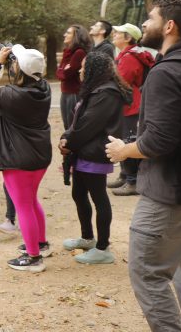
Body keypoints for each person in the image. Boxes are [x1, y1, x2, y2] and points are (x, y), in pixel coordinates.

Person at [106, 0, 181, 332]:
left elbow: (159, 141)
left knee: (147, 272)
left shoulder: (167, 72)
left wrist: (124, 151)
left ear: (168, 26)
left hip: (168, 193)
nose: (144, 24)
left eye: (149, 18)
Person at [0, 45, 52, 272]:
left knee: (23, 206)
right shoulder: (43, 88)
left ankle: (33, 258)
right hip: (38, 155)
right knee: (31, 201)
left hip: (19, 158)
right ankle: (40, 243)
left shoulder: (14, 95)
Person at [59, 52, 130, 265]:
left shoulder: (107, 93)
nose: (80, 71)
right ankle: (88, 238)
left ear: (93, 70)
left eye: (83, 67)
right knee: (79, 194)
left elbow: (89, 125)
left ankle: (103, 247)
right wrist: (66, 138)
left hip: (95, 153)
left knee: (99, 198)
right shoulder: (96, 90)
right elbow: (78, 122)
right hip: (84, 150)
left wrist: (68, 142)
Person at [108, 23, 154, 196]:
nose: (114, 34)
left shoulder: (128, 57)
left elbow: (122, 81)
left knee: (127, 140)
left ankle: (132, 181)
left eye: (118, 33)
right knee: (125, 138)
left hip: (130, 105)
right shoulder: (129, 54)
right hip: (131, 103)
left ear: (128, 38)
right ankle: (125, 175)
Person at [57, 25, 91, 130]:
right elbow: (59, 73)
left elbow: (66, 75)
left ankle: (74, 146)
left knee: (73, 126)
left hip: (74, 94)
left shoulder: (79, 52)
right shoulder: (68, 52)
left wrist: (63, 70)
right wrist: (63, 69)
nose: (64, 35)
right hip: (65, 93)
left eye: (68, 33)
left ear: (76, 36)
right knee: (67, 125)